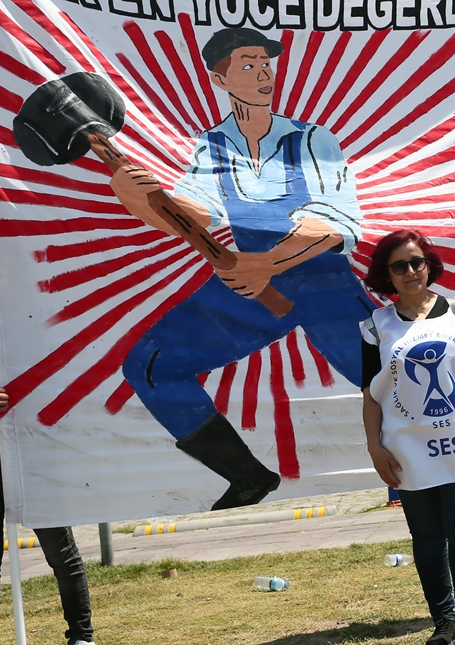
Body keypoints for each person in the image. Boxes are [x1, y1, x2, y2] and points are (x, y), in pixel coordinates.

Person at [94, 27, 375, 511]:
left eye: (266, 62)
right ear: (219, 78)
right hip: (247, 279)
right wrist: (138, 198)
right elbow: (196, 214)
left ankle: (411, 479)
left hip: (320, 280)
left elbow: (338, 220)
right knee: (152, 364)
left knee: (383, 378)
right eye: (248, 64)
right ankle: (248, 478)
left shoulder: (311, 139)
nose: (263, 72)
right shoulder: (211, 147)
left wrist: (268, 262)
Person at [0, 253, 100, 645]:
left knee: (62, 552)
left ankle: (82, 641)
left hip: (29, 458)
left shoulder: (16, 325)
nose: (0, 279)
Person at [361, 230, 455, 645]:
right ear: (387, 274)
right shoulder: (375, 325)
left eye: (416, 262)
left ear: (429, 264)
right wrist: (374, 446)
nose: (410, 271)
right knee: (426, 536)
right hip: (406, 447)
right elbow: (371, 393)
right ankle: (443, 621)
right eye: (399, 265)